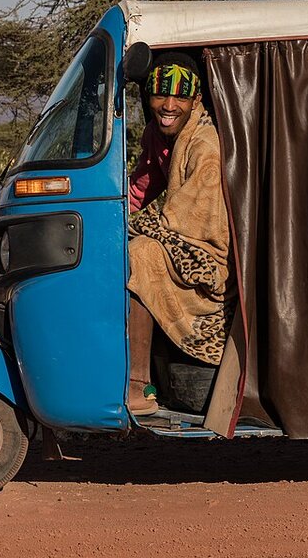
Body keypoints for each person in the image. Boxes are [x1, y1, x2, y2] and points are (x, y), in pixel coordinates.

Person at [126, 52, 232, 416]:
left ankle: (138, 384)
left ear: (195, 100)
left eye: (179, 97)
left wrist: (138, 225)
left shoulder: (205, 144)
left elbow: (189, 218)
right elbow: (142, 187)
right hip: (179, 235)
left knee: (141, 254)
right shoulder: (156, 134)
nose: (168, 105)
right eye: (160, 95)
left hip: (210, 255)